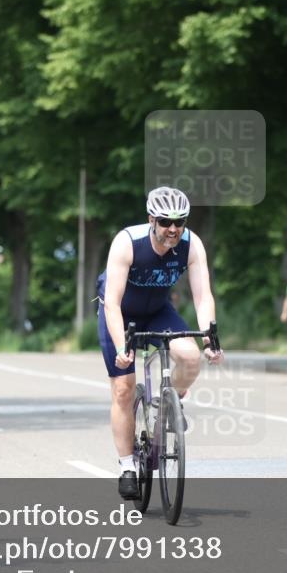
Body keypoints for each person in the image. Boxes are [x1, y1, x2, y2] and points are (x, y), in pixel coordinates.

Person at [98, 186, 224, 500]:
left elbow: (202, 296)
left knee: (191, 358)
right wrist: (122, 346)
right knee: (124, 388)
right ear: (151, 219)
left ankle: (169, 405)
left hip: (157, 312)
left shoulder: (191, 244)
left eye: (180, 222)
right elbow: (112, 303)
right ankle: (127, 466)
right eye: (166, 221)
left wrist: (209, 338)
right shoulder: (127, 242)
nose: (173, 229)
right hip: (120, 314)